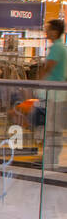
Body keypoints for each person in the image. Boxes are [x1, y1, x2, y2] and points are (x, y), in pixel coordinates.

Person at [41, 19, 67, 169]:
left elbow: (48, 68)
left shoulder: (57, 48)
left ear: (55, 32)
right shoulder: (60, 47)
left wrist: (36, 83)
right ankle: (51, 160)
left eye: (48, 29)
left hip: (55, 95)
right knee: (53, 129)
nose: (46, 31)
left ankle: (50, 162)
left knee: (53, 129)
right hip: (56, 95)